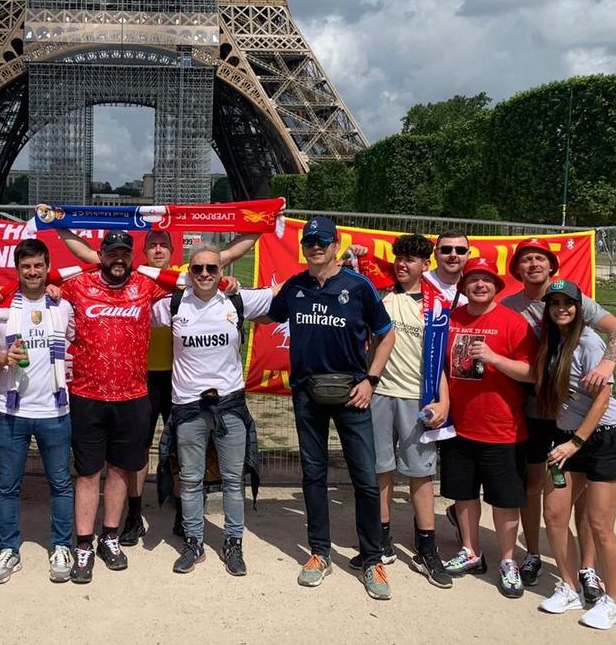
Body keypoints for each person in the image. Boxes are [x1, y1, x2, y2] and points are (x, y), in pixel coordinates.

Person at [56, 228, 257, 545]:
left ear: (173, 251)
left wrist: (259, 222)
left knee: (181, 449)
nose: (159, 250)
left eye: (164, 245)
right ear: (144, 252)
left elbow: (229, 256)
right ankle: (134, 516)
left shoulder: (186, 276)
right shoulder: (139, 278)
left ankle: (182, 514)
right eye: (153, 245)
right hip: (140, 379)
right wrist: (58, 222)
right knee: (137, 454)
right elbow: (89, 257)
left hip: (178, 380)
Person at [267, 217, 396, 599]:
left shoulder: (358, 287)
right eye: (310, 241)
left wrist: (370, 380)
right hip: (308, 393)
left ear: (336, 244)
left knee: (365, 479)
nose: (316, 246)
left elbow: (386, 335)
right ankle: (319, 552)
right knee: (313, 474)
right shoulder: (295, 286)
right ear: (303, 246)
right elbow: (269, 313)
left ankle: (371, 558)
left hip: (352, 392)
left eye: (323, 241)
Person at [497, 238, 616, 597]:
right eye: (526, 259)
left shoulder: (574, 301)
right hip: (536, 408)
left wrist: (606, 364)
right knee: (534, 484)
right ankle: (534, 555)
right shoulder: (509, 305)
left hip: (578, 417)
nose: (533, 264)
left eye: (540, 258)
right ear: (517, 269)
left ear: (552, 265)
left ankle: (586, 567)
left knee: (585, 497)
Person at [58, 230, 172, 583]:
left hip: (134, 395)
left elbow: (195, 280)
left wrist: (226, 281)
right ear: (100, 255)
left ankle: (109, 537)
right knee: (89, 474)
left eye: (125, 253)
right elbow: (38, 286)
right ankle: (83, 545)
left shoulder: (146, 286)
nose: (118, 259)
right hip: (88, 395)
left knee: (121, 471)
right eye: (112, 253)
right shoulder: (76, 286)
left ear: (131, 256)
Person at [152, 246, 273, 575]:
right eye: (198, 269)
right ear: (188, 272)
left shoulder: (236, 300)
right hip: (188, 407)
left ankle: (233, 543)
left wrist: (352, 265)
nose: (205, 274)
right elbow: (132, 307)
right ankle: (194, 542)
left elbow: (283, 294)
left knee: (233, 480)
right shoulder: (174, 304)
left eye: (211, 268)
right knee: (190, 481)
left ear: (222, 271)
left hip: (229, 406)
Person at [533, 280, 616, 630]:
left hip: (604, 439)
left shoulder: (590, 342)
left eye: (568, 303)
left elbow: (603, 399)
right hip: (566, 438)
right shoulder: (550, 342)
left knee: (600, 525)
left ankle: (615, 601)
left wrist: (576, 441)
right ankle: (569, 585)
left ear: (580, 308)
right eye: (554, 303)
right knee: (555, 514)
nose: (561, 308)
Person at [354, 234, 454, 588]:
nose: (402, 263)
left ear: (426, 265)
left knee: (420, 474)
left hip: (417, 398)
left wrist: (443, 400)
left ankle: (426, 546)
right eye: (399, 257)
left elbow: (439, 360)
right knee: (381, 469)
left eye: (411, 259)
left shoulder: (436, 305)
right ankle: (381, 542)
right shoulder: (379, 295)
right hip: (378, 393)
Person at [0, 239, 76, 585]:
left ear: (47, 266)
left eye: (38, 266)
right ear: (17, 269)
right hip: (11, 411)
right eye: (26, 267)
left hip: (55, 410)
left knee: (61, 483)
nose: (32, 272)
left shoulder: (62, 305)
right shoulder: (0, 309)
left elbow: (76, 342)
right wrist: (3, 358)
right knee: (7, 485)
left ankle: (62, 546)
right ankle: (9, 548)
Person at [439, 257, 537, 599]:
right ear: (464, 287)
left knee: (505, 499)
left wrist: (494, 358)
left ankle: (508, 560)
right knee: (463, 494)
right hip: (459, 426)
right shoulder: (451, 319)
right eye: (473, 280)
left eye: (486, 281)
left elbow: (532, 373)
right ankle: (471, 550)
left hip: (503, 429)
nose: (479, 285)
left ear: (497, 286)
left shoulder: (514, 323)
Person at [424, 229, 470, 306]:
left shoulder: (475, 289)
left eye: (460, 250)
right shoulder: (420, 282)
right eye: (446, 250)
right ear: (435, 254)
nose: (453, 255)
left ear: (468, 255)